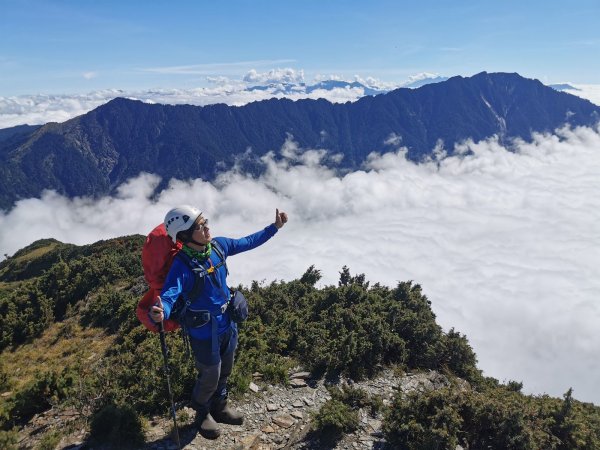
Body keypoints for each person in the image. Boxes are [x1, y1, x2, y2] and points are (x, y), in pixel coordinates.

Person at [150, 205, 288, 439]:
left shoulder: (218, 247)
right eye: (200, 226)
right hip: (204, 332)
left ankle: (220, 406)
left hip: (228, 324)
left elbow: (247, 241)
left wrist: (274, 228)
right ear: (183, 235)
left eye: (205, 222)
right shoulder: (182, 266)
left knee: (226, 369)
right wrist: (161, 310)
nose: (207, 228)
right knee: (210, 374)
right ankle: (202, 412)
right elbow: (170, 294)